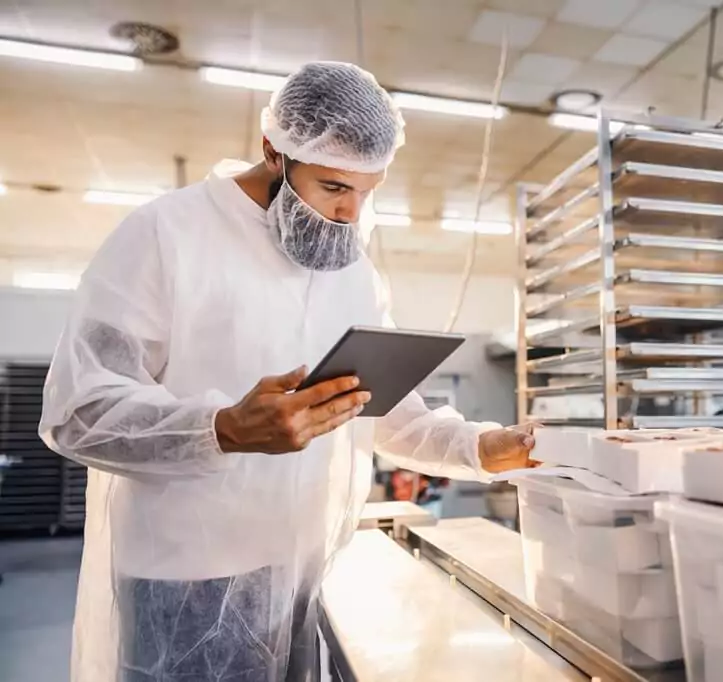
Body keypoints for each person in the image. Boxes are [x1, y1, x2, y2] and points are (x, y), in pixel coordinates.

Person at [39, 61, 536, 682]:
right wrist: (221, 427)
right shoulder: (166, 234)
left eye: (366, 191)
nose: (350, 214)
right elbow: (78, 411)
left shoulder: (351, 270)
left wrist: (479, 447)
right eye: (333, 187)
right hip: (188, 576)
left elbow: (377, 409)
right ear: (274, 149)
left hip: (306, 570)